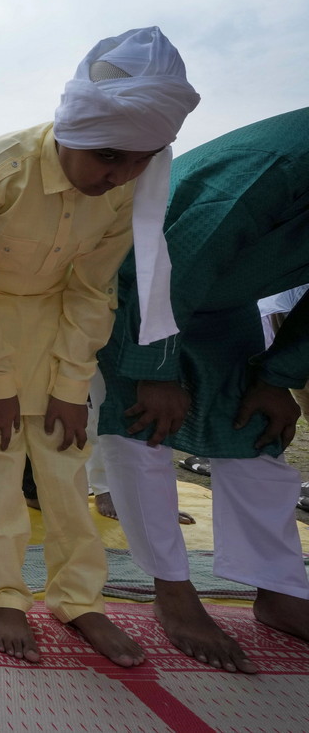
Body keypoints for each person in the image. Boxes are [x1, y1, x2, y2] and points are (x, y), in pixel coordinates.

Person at [0, 26, 201, 668]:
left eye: (140, 160)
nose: (121, 175)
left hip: (56, 329)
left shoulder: (124, 187)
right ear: (75, 130)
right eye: (109, 156)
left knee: (64, 460)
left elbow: (91, 288)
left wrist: (71, 385)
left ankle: (79, 600)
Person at [95, 107, 309, 674]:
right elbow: (174, 259)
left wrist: (276, 376)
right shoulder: (283, 164)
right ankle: (173, 590)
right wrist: (156, 370)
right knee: (142, 426)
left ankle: (280, 589)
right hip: (137, 285)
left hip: (223, 300)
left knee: (257, 430)